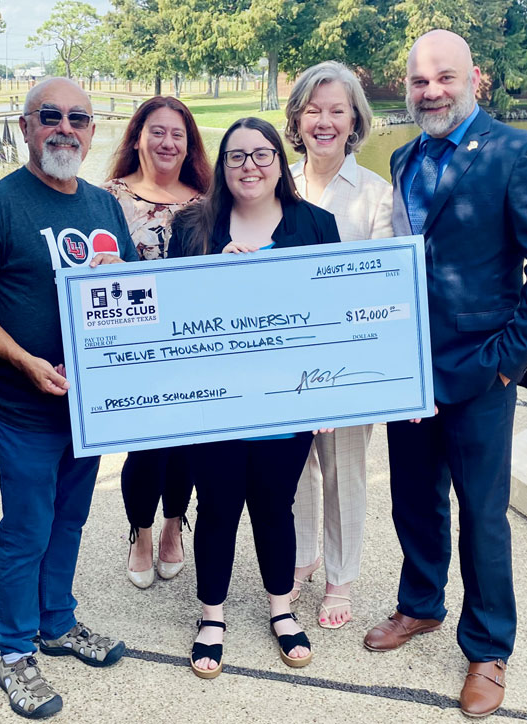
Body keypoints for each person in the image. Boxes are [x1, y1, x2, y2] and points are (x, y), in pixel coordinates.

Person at [362, 30, 527, 718]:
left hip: (483, 370)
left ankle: (487, 648)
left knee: (482, 515)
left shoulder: (518, 153)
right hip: (407, 366)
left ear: (474, 79)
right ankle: (420, 605)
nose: (431, 92)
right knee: (412, 498)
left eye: (444, 78)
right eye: (420, 81)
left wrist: (509, 361)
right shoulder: (402, 156)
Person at [0, 77, 136, 720]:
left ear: (92, 130)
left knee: (71, 519)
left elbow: (136, 294)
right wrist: (20, 358)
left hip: (89, 407)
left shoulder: (104, 206)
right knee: (27, 527)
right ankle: (16, 651)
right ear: (25, 126)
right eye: (50, 115)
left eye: (79, 117)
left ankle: (58, 621)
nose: (65, 127)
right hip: (22, 407)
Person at [167, 117, 341, 679]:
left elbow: (332, 314)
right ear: (222, 165)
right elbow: (172, 312)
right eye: (237, 156)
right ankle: (212, 617)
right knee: (217, 507)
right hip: (212, 399)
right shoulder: (194, 226)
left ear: (279, 162)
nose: (250, 166)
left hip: (287, 400)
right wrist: (219, 274)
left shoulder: (316, 225)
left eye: (262, 155)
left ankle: (281, 609)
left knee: (274, 505)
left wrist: (329, 394)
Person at [282, 60, 394, 630]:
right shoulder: (275, 183)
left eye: (336, 111)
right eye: (313, 109)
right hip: (284, 364)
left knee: (344, 471)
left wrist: (337, 372)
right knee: (293, 469)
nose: (323, 121)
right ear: (297, 117)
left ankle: (340, 579)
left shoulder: (377, 195)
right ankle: (301, 560)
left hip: (348, 364)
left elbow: (380, 291)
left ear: (355, 121)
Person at [101, 96, 210, 589]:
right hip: (134, 350)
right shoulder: (108, 197)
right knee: (145, 449)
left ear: (190, 145)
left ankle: (173, 525)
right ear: (138, 137)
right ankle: (140, 532)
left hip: (194, 346)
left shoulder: (209, 198)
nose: (168, 142)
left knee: (187, 445)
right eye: (157, 131)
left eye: (178, 134)